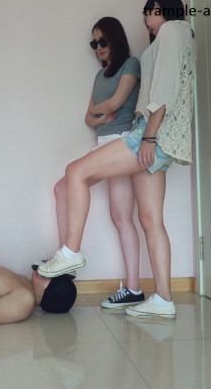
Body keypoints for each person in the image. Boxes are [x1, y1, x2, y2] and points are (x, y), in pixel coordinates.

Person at [37, 0, 195, 320]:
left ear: (165, 9)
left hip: (151, 133)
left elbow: (163, 91)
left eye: (151, 12)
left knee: (76, 172)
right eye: (145, 14)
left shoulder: (172, 30)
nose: (147, 19)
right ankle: (163, 300)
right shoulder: (177, 37)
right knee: (151, 220)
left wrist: (148, 136)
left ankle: (71, 252)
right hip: (162, 138)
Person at [51, 16, 145, 309]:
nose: (99, 47)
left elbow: (116, 103)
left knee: (119, 215)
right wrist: (101, 116)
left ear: (115, 38)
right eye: (94, 43)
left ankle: (74, 255)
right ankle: (67, 259)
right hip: (105, 143)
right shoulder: (100, 75)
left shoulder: (131, 65)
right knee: (63, 189)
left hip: (123, 142)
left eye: (102, 40)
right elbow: (88, 118)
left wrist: (100, 112)